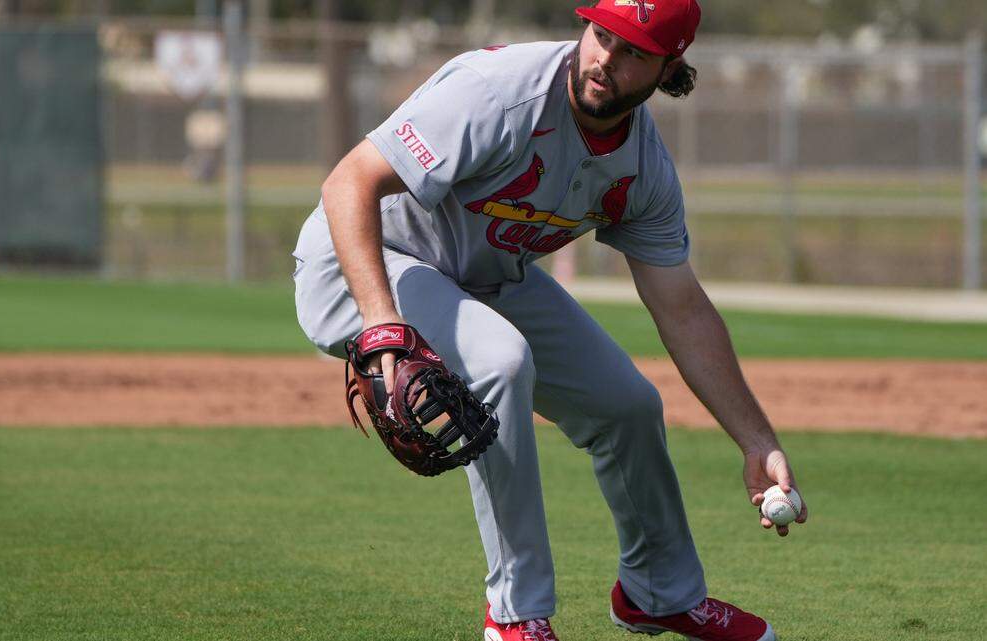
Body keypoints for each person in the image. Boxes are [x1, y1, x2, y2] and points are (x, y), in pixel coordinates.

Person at [292, 1, 807, 639]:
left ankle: (659, 593)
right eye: (601, 35)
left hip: (479, 275)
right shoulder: (498, 95)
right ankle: (515, 616)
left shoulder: (642, 169)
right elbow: (348, 184)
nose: (604, 60)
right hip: (362, 262)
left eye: (634, 52)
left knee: (627, 405)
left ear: (670, 65)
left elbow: (683, 306)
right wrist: (381, 323)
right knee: (500, 361)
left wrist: (757, 441)